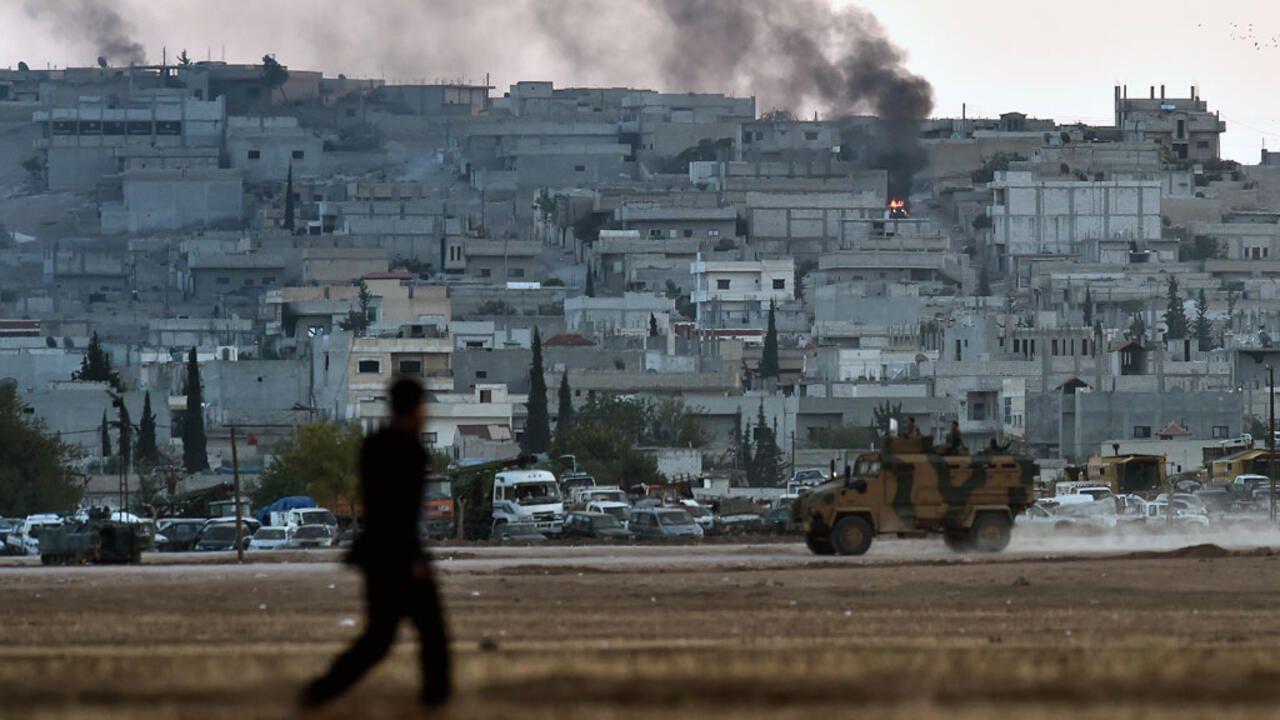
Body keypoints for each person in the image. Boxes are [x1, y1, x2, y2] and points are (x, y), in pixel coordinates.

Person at [302, 378, 451, 709]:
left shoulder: (375, 444)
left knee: (380, 639)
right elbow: (400, 511)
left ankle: (321, 691)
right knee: (428, 631)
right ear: (415, 409)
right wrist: (413, 559)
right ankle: (435, 699)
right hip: (398, 553)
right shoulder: (409, 450)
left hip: (378, 552)